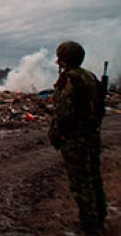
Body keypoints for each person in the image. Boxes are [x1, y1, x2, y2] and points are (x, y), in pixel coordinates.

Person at [48, 41, 107, 234]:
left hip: (75, 139)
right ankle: (100, 217)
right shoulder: (90, 77)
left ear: (64, 59)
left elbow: (64, 112)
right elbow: (99, 108)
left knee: (81, 183)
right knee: (94, 178)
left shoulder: (69, 79)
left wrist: (59, 133)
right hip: (91, 136)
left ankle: (90, 226)